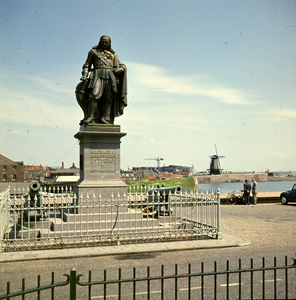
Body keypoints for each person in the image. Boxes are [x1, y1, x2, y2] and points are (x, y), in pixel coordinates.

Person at [79, 35, 127, 125]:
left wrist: (119, 69)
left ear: (109, 43)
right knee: (94, 94)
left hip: (110, 76)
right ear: (100, 42)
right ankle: (90, 117)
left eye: (106, 42)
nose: (104, 44)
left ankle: (104, 118)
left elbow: (122, 66)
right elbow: (87, 65)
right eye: (103, 42)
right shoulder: (93, 52)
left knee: (108, 98)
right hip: (97, 75)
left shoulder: (114, 56)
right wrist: (85, 75)